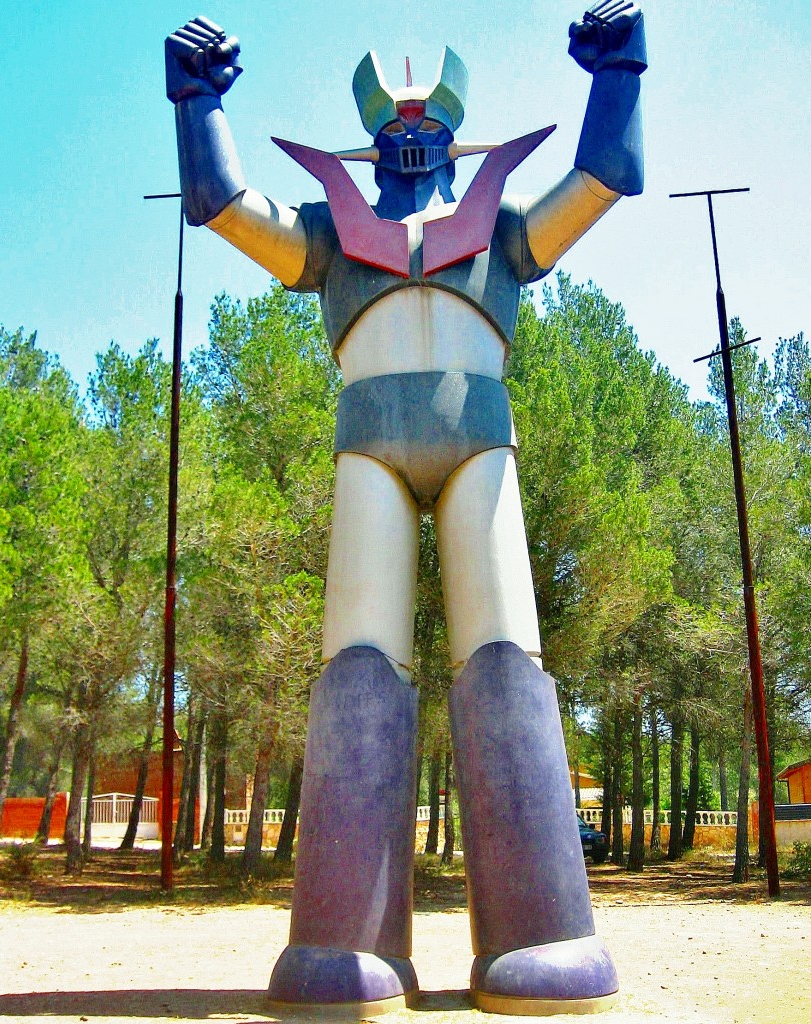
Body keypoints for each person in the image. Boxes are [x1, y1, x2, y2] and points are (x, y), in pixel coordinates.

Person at [165, 2, 646, 1014]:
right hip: (366, 447)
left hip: (480, 440)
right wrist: (197, 102)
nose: (414, 143)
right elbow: (219, 202)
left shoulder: (503, 230)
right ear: (371, 143)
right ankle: (344, 942)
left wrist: (619, 75)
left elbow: (601, 178)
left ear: (449, 140)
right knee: (360, 658)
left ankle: (544, 928)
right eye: (396, 130)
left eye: (430, 130)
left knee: (503, 651)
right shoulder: (331, 234)